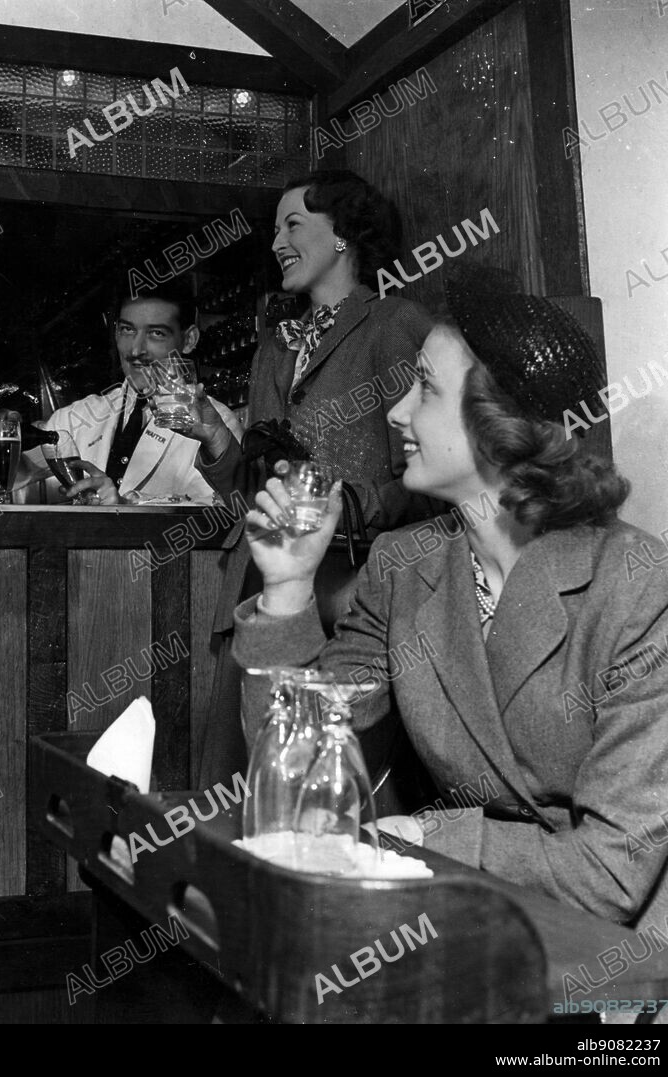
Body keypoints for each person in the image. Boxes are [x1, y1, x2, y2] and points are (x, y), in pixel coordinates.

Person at [233, 280, 668, 1021]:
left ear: (498, 427)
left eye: (424, 389)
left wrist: (422, 834)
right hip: (476, 937)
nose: (395, 412)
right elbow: (300, 769)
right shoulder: (403, 565)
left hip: (623, 974)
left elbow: (608, 871)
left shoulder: (642, 591)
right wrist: (286, 587)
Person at [190, 170, 438, 787]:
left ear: (346, 235)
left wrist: (353, 506)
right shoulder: (275, 344)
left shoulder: (393, 324)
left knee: (331, 788)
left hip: (349, 600)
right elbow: (252, 493)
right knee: (244, 783)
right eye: (275, 229)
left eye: (292, 224)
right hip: (262, 587)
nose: (276, 242)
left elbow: (425, 479)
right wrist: (216, 437)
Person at [21, 280, 242, 505]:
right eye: (128, 330)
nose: (136, 350)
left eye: (156, 333)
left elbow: (225, 516)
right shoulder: (76, 418)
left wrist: (126, 506)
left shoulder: (216, 425)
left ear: (189, 340)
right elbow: (8, 483)